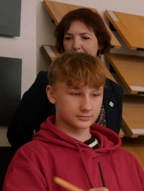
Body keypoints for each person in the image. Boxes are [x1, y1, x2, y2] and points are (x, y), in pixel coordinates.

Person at [2, 52, 144, 191]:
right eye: (75, 93)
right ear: (52, 94)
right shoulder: (32, 156)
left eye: (96, 94)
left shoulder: (126, 159)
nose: (87, 106)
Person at [7, 8, 123, 150]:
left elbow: (111, 138)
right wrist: (42, 160)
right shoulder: (46, 80)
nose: (75, 45)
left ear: (100, 43)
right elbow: (17, 133)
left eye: (85, 37)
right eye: (68, 38)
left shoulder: (115, 91)